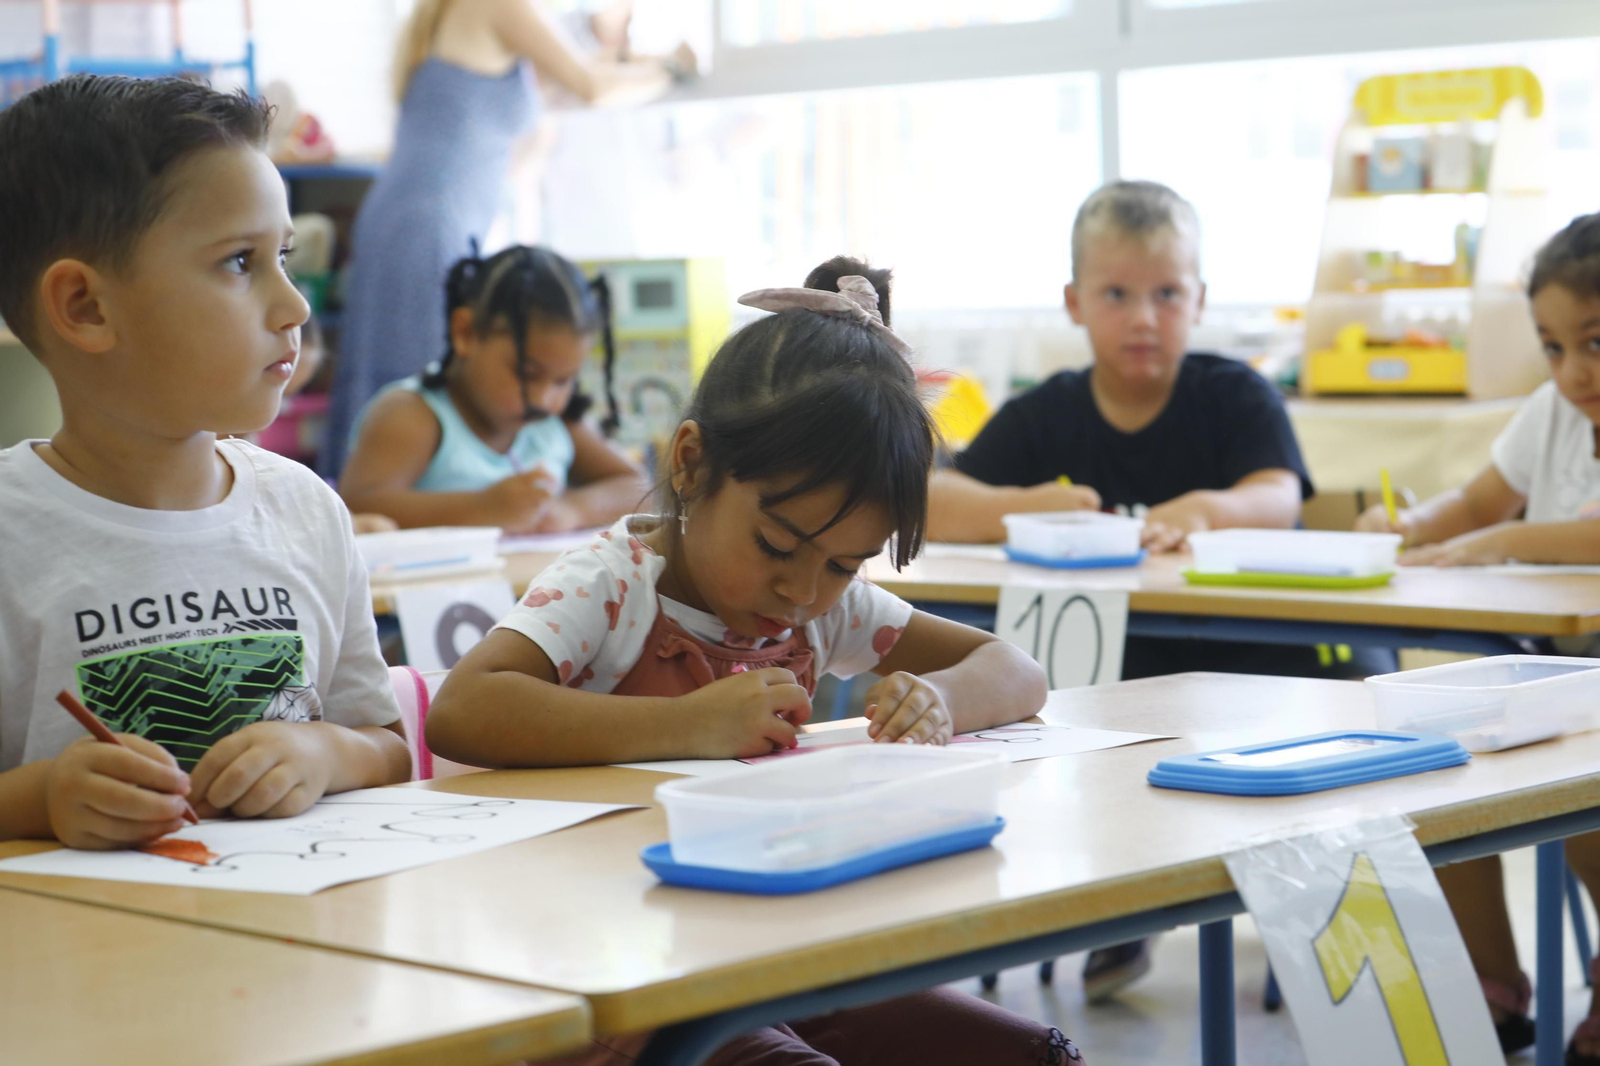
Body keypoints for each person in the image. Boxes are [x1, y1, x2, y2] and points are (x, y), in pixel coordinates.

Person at [425, 261, 1084, 1065]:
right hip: (613, 974)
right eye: (777, 545)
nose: (803, 591)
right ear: (692, 464)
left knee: (1029, 1056)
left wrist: (941, 700)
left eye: (845, 564)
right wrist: (684, 724)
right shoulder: (614, 587)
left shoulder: (823, 608)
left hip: (772, 950)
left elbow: (1016, 671)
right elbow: (464, 708)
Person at [929, 180, 1380, 1001]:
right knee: (1090, 721)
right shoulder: (1044, 416)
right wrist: (1024, 505)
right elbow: (934, 501)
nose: (1144, 316)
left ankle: (1309, 909)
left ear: (1200, 298)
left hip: (1251, 662)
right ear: (1074, 303)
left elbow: (1279, 495)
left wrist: (1209, 510)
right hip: (1114, 669)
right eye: (1117, 293)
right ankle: (1122, 912)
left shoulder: (1232, 393)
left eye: (1168, 293)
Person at [0, 75, 412, 849]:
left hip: (299, 940)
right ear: (87, 307)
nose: (294, 307)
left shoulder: (305, 510)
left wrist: (323, 751)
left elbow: (386, 747)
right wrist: (42, 796)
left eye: (282, 256)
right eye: (238, 263)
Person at [1359, 211, 1600, 1059]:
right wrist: (1408, 523)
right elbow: (1475, 503)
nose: (1573, 371)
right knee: (1446, 755)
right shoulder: (1553, 411)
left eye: (1594, 342)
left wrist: (1502, 539)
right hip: (1562, 671)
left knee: (1587, 796)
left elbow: (1532, 531)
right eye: (1552, 347)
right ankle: (1492, 986)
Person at [322, 0, 694, 475]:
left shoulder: (466, 15)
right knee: (418, 393)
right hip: (428, 226)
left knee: (401, 383)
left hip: (415, 219)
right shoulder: (497, 4)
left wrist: (634, 65)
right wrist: (673, 67)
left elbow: (570, 82)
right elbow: (593, 87)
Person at [339, 244, 646, 532]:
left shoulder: (556, 421)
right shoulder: (414, 413)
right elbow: (356, 506)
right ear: (466, 333)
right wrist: (482, 508)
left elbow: (640, 487)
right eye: (526, 374)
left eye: (563, 380)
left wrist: (573, 509)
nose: (542, 399)